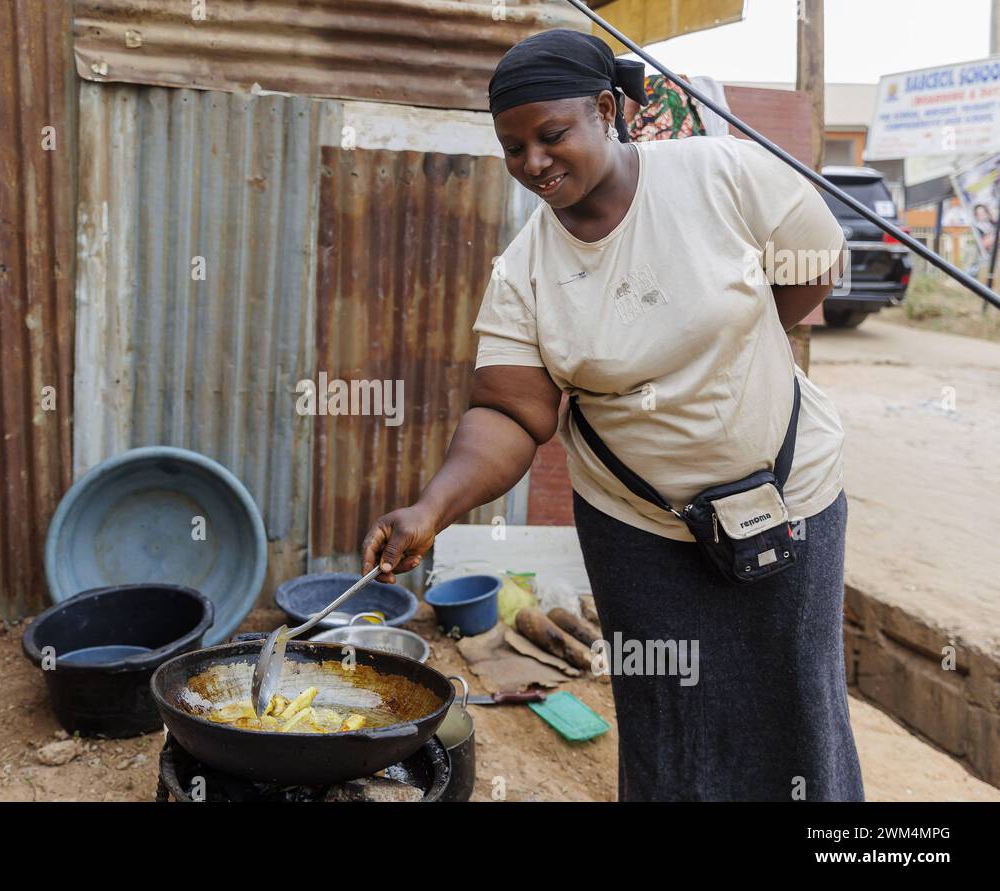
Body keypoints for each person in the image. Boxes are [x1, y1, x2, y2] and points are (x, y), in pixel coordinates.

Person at [360, 29, 863, 802]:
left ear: (604, 109)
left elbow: (810, 269)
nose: (533, 163)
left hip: (789, 500)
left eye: (551, 135)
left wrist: (738, 345)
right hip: (641, 530)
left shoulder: (720, 174)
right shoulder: (524, 273)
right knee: (672, 724)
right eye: (513, 147)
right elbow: (508, 413)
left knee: (796, 704)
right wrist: (432, 507)